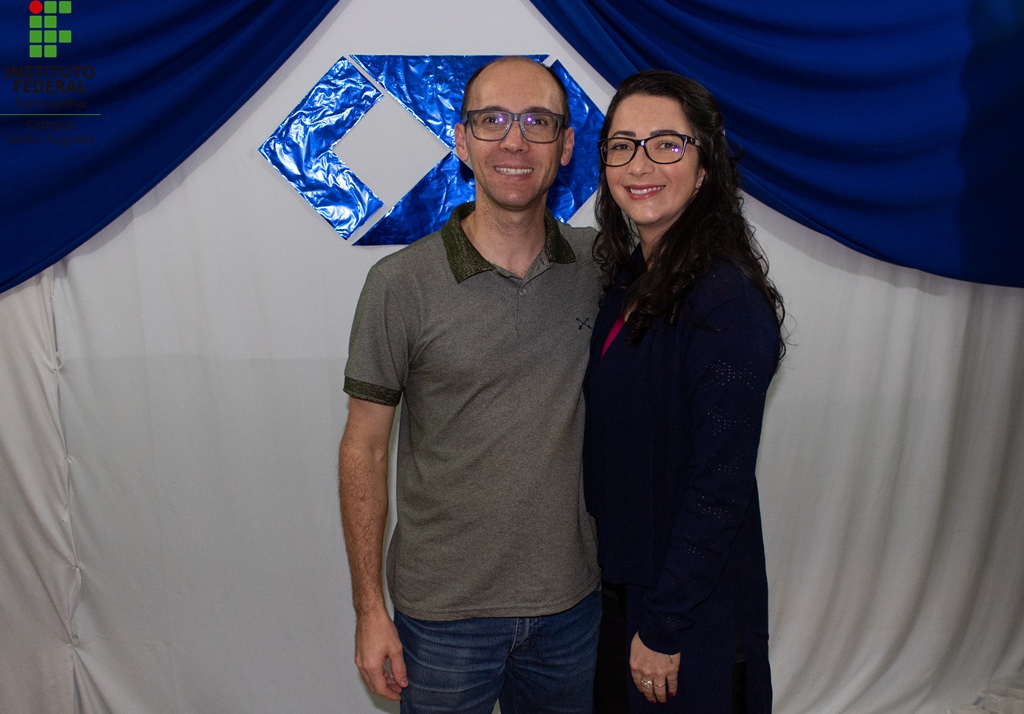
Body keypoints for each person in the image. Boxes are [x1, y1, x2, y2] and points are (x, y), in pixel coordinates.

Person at [338, 56, 603, 714]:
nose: (515, 141)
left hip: (571, 608)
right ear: (461, 140)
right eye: (493, 120)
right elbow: (363, 448)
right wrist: (370, 610)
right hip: (441, 618)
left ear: (567, 145)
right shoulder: (399, 285)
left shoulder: (602, 267)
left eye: (537, 121)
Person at [584, 70, 785, 712]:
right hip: (625, 592)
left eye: (666, 144)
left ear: (703, 170)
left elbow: (718, 487)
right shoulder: (630, 284)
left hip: (689, 613)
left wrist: (665, 624)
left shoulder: (724, 303)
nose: (640, 164)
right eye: (622, 145)